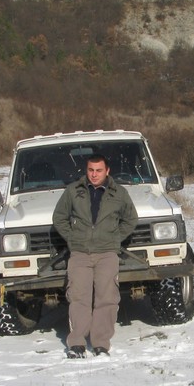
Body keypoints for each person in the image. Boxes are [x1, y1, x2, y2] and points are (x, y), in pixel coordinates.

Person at [52, 153, 138, 358]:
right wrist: (73, 239)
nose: (94, 174)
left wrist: (114, 239)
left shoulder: (119, 193)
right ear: (86, 170)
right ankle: (77, 343)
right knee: (78, 298)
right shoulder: (73, 191)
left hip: (107, 253)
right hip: (80, 254)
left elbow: (131, 218)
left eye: (99, 170)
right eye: (91, 170)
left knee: (107, 298)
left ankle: (100, 343)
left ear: (107, 171)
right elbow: (59, 217)